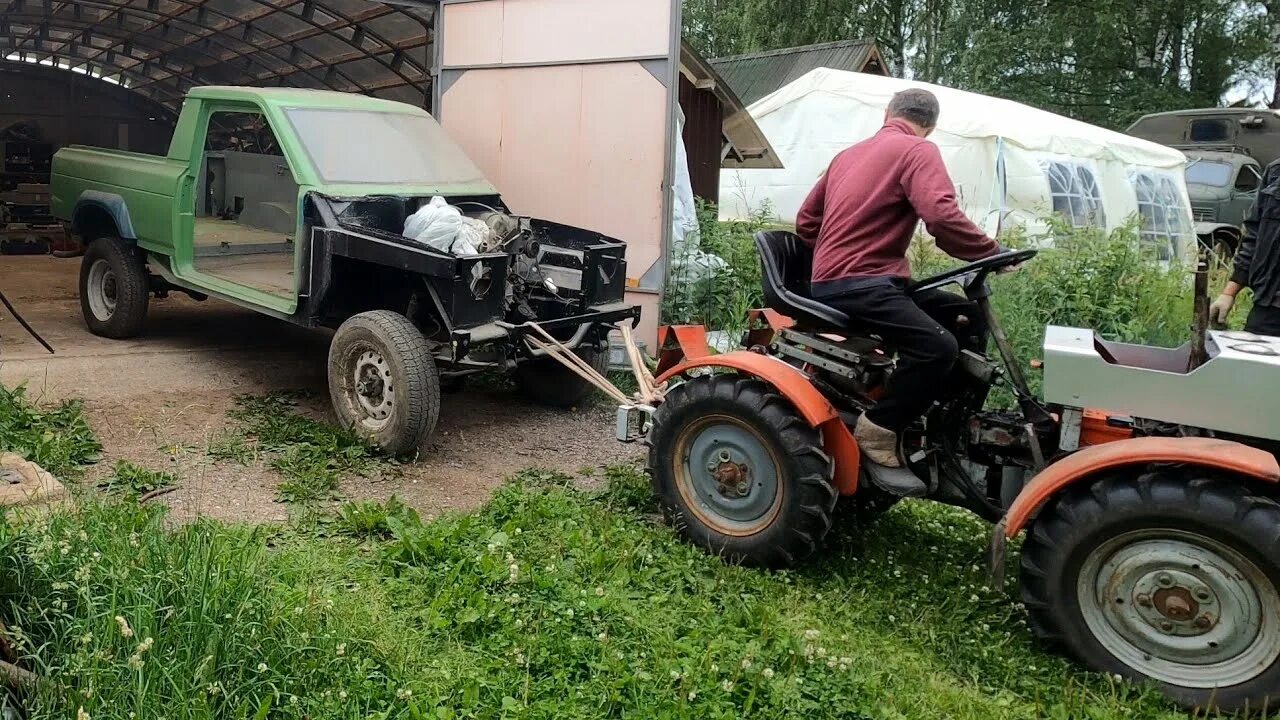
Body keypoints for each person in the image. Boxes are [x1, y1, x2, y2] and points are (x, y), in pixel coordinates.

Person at [795, 88, 1004, 496]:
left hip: (846, 282)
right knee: (938, 347)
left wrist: (830, 258)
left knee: (965, 317)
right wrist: (991, 251)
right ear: (930, 126)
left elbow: (806, 221)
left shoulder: (847, 156)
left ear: (887, 112)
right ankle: (881, 428)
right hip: (861, 283)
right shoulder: (917, 151)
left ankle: (938, 423)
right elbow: (941, 216)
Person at [1210, 162, 1280, 336]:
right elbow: (1254, 238)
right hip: (1270, 308)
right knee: (1251, 363)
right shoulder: (1275, 172)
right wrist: (1228, 294)